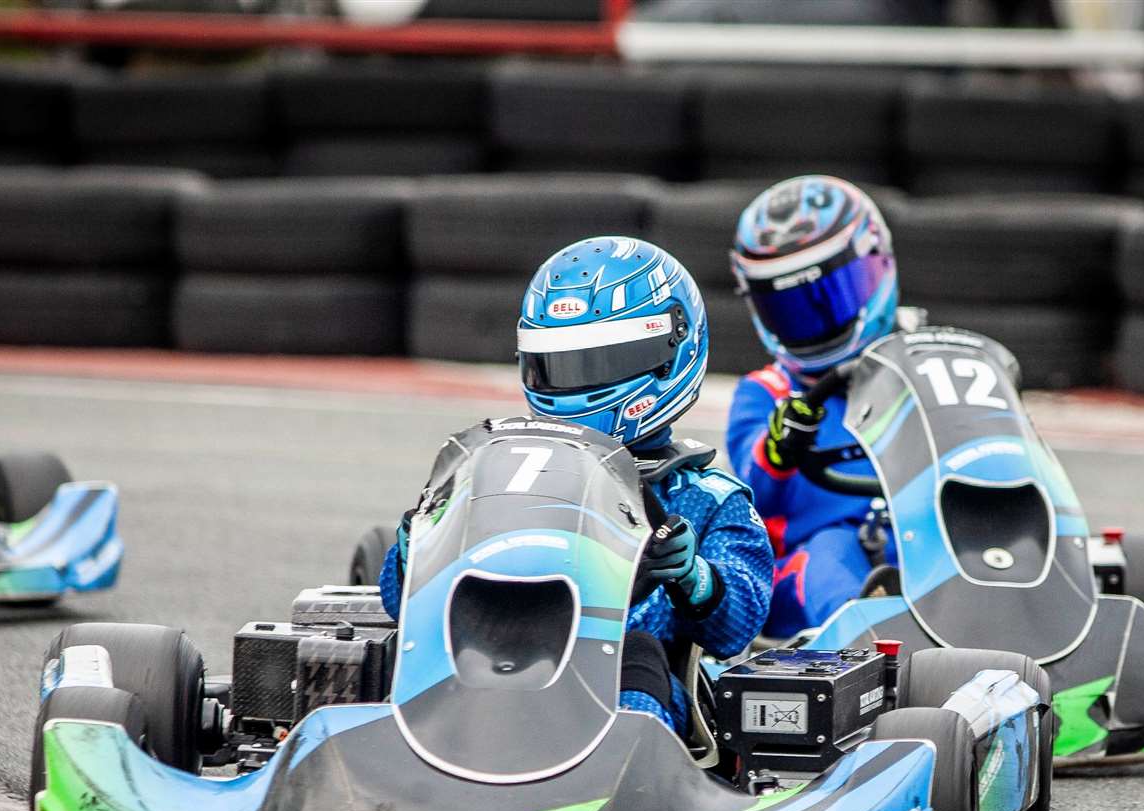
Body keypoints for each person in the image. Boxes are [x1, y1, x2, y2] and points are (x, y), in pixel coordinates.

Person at [382, 236, 773, 737]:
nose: (578, 384)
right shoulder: (499, 471)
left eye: (599, 364)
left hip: (621, 689)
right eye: (560, 364)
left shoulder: (707, 498)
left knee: (638, 657)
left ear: (668, 351)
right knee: (394, 656)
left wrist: (694, 578)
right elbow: (401, 606)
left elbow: (736, 628)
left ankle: (624, 793)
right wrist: (419, 546)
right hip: (492, 664)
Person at [725, 175, 918, 640]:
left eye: (829, 296)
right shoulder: (765, 391)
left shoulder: (928, 364)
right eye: (792, 308)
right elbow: (755, 490)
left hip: (928, 538)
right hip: (809, 568)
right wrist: (779, 447)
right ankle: (882, 668)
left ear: (878, 261)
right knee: (830, 556)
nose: (816, 322)